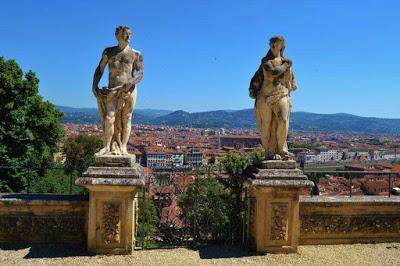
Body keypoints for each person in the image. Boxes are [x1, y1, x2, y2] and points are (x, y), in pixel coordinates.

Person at [92, 26, 143, 155]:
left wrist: (130, 83)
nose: (128, 37)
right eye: (126, 34)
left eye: (130, 35)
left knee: (127, 117)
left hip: (129, 90)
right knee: (109, 118)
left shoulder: (136, 54)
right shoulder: (108, 52)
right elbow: (100, 69)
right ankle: (107, 146)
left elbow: (140, 73)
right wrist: (94, 85)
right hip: (112, 90)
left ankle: (123, 147)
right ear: (118, 35)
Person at [249, 36, 296, 160]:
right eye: (272, 44)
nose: (273, 46)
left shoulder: (287, 62)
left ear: (281, 46)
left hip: (281, 94)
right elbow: (273, 72)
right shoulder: (266, 61)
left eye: (277, 43)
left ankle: (281, 150)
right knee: (266, 125)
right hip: (265, 95)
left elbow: (293, 84)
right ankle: (270, 152)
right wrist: (286, 65)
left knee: (283, 120)